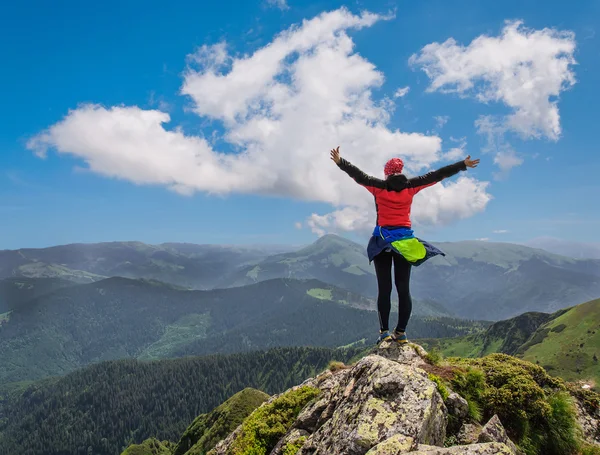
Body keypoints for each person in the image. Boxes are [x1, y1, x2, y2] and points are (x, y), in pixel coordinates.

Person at [330, 146, 480, 345]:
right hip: (405, 243)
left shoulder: (378, 187)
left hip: (382, 241)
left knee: (384, 289)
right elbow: (437, 175)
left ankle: (383, 332)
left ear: (386, 173)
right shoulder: (411, 186)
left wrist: (341, 162)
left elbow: (358, 175)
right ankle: (400, 333)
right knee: (403, 289)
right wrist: (462, 165)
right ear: (401, 171)